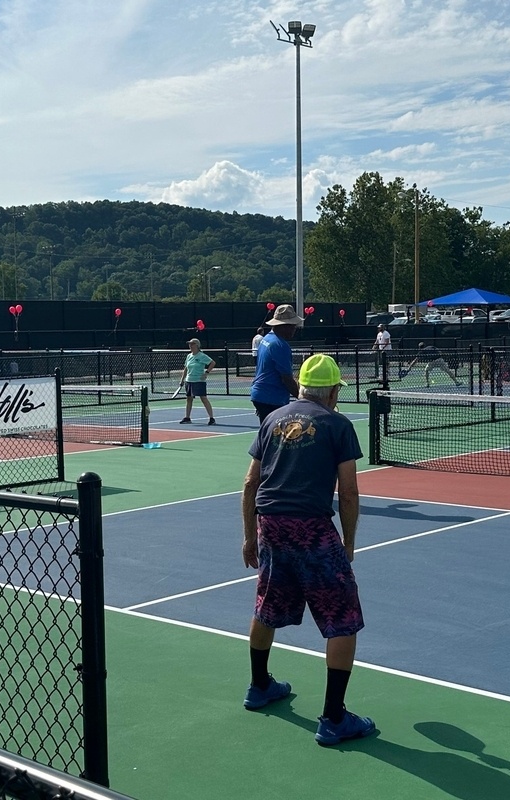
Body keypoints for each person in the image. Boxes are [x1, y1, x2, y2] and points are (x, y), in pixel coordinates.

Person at [240, 353, 375, 747]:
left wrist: (250, 537)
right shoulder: (337, 424)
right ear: (333, 391)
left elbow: (250, 484)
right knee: (343, 614)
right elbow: (348, 493)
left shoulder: (271, 419)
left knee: (267, 602)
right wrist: (347, 543)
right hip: (312, 529)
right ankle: (334, 718)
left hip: (271, 527)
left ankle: (259, 685)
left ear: (300, 387)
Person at [250, 304, 304, 424]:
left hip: (261, 395)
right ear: (283, 326)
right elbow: (287, 379)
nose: (295, 328)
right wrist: (303, 399)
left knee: (267, 435)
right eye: (292, 326)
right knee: (276, 437)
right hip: (271, 398)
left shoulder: (266, 339)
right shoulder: (280, 345)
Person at [178, 338, 216, 425]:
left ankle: (211, 418)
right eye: (189, 344)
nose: (190, 346)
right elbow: (186, 368)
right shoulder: (189, 356)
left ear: (197, 346)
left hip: (199, 380)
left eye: (192, 344)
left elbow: (212, 363)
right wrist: (182, 379)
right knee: (189, 399)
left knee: (203, 398)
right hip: (189, 380)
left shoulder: (202, 356)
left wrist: (206, 373)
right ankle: (187, 417)